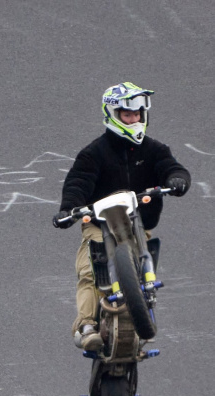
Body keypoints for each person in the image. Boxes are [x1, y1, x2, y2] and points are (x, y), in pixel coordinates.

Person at [52, 82, 190, 350]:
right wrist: (69, 208)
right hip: (99, 224)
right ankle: (87, 325)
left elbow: (171, 167)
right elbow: (78, 182)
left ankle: (145, 295)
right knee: (89, 271)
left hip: (138, 223)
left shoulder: (155, 149)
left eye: (138, 114)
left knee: (142, 252)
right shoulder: (94, 153)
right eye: (128, 115)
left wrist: (177, 179)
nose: (134, 119)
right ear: (113, 115)